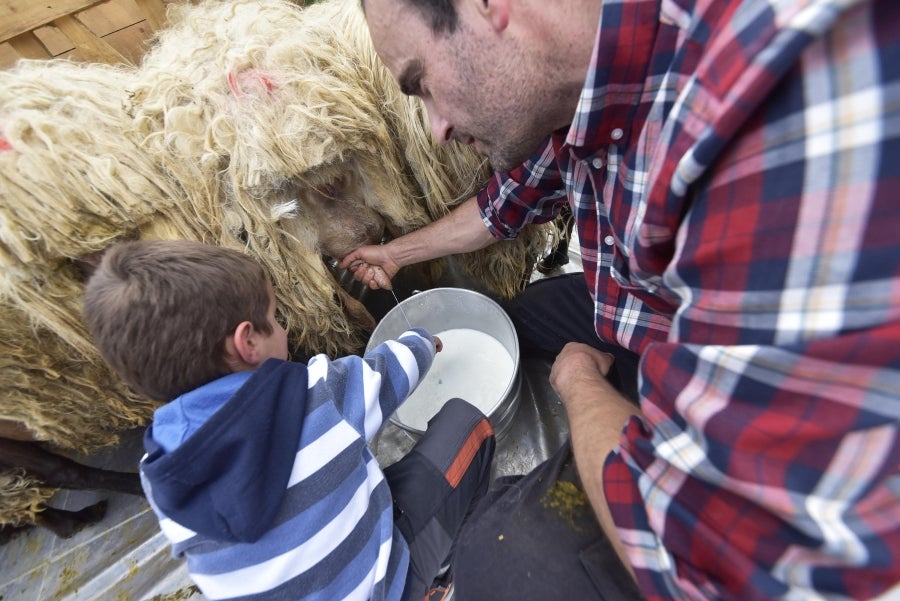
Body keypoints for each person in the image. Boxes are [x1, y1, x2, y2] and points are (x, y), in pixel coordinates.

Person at [340, 0, 900, 599]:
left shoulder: (765, 121)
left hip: (689, 358)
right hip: (641, 302)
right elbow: (505, 205)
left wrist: (581, 386)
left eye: (421, 83)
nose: (435, 128)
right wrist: (397, 255)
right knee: (517, 317)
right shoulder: (582, 89)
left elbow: (701, 551)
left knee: (497, 557)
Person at [82, 239, 495, 601]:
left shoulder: (160, 473)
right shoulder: (314, 395)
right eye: (275, 318)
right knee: (468, 425)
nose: (282, 328)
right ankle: (436, 578)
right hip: (384, 587)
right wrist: (424, 340)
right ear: (248, 343)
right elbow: (393, 369)